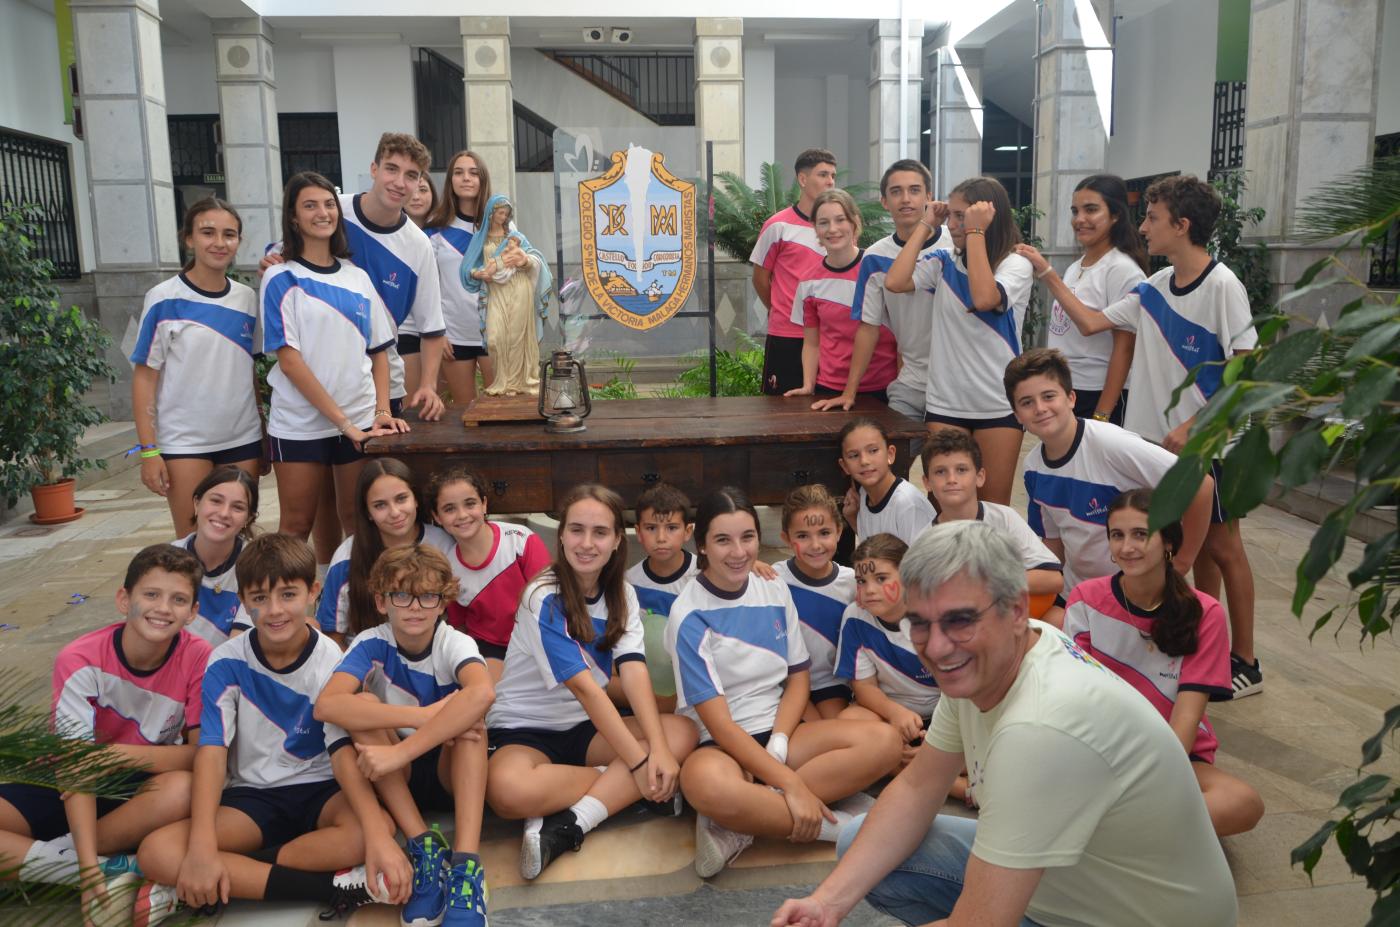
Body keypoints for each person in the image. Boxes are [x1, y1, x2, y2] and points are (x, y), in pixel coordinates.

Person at [771, 520, 1239, 927]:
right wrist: (825, 905)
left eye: (959, 621)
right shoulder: (1007, 654)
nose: (935, 648)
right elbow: (917, 788)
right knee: (859, 843)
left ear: (1016, 609)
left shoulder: (1039, 728)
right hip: (1080, 879)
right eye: (920, 623)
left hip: (1137, 917)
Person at [1016, 175, 1263, 697]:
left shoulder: (1222, 286)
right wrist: (1046, 274)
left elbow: (1246, 366)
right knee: (1184, 541)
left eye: (1152, 218)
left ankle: (1246, 660)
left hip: (1211, 441)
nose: (1143, 227)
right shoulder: (1151, 288)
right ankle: (1202, 642)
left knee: (1221, 547)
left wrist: (1196, 423)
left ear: (1182, 224)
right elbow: (1089, 322)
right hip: (1156, 444)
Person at [133, 534, 402, 926]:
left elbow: (343, 748)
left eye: (288, 595)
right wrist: (203, 845)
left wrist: (378, 838)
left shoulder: (332, 658)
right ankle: (332, 887)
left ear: (312, 592)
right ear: (243, 601)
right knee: (157, 851)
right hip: (253, 796)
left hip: (323, 790)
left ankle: (217, 878)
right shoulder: (225, 662)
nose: (275, 611)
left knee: (375, 831)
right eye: (259, 598)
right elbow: (211, 750)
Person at [667, 487, 901, 879]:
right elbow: (720, 725)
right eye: (722, 540)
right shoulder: (688, 614)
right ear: (702, 546)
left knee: (885, 740)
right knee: (702, 784)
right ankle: (843, 829)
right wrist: (792, 785)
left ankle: (742, 822)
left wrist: (779, 741)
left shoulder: (772, 586)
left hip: (782, 734)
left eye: (747, 537)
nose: (738, 552)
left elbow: (797, 678)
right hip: (721, 746)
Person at [484, 485, 696, 881]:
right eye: (576, 530)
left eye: (599, 533)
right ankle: (622, 786)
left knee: (680, 731)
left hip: (585, 729)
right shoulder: (541, 595)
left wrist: (661, 749)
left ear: (618, 540)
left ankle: (572, 821)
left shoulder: (623, 594)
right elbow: (584, 688)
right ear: (560, 535)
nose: (586, 543)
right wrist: (638, 763)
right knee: (506, 791)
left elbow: (633, 672)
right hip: (523, 730)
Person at [0, 545, 209, 926]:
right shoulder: (79, 659)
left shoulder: (198, 656)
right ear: (123, 599)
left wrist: (113, 756)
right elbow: (75, 770)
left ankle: (36, 862)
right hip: (67, 785)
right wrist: (84, 865)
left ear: (193, 612)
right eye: (151, 594)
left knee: (185, 788)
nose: (163, 608)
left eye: (178, 599)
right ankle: (103, 869)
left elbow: (199, 754)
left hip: (142, 786)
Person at [1064, 490, 1264, 837]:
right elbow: (1077, 699)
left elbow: (1186, 719)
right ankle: (1139, 831)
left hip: (1174, 752)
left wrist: (1150, 780)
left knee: (1242, 803)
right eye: (1117, 535)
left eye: (1141, 534)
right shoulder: (1086, 600)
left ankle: (1111, 831)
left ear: (1169, 542)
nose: (1127, 547)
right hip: (1101, 747)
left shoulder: (1205, 614)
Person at [316, 545, 495, 927]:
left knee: (471, 727)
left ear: (444, 602)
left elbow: (482, 693)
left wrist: (407, 748)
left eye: (428, 596)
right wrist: (420, 717)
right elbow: (326, 706)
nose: (415, 607)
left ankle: (466, 867)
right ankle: (425, 848)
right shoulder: (371, 642)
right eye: (402, 595)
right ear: (382, 601)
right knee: (360, 704)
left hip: (448, 772)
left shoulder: (454, 643)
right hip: (402, 779)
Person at [261, 171, 406, 542]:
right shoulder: (279, 277)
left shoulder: (356, 277)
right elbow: (290, 361)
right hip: (299, 425)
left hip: (359, 419)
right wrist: (344, 424)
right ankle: (297, 599)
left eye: (328, 205)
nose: (322, 213)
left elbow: (378, 354)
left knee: (358, 524)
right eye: (309, 205)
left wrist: (382, 412)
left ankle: (353, 600)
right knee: (296, 526)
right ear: (293, 217)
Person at [262, 134, 447, 418]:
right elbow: (282, 257)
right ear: (374, 169)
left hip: (381, 388)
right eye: (391, 169)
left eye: (411, 175)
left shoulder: (418, 244)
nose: (399, 182)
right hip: (313, 383)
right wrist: (271, 263)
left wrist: (428, 385)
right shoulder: (333, 210)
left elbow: (432, 328)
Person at [1009, 348, 1213, 595]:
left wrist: (1181, 562)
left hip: (1137, 593)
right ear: (1017, 415)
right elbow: (1053, 545)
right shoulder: (1033, 468)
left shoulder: (1110, 443)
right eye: (1027, 402)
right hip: (1081, 596)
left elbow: (1200, 484)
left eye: (1049, 396)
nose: (1040, 408)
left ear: (1071, 398)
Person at [885, 176, 1033, 506]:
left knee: (992, 510)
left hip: (997, 404)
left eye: (960, 216)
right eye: (950, 215)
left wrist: (976, 233)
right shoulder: (942, 262)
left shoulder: (1016, 264)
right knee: (944, 506)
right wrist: (926, 224)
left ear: (987, 218)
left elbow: (984, 297)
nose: (952, 225)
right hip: (945, 404)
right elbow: (895, 282)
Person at [131, 197, 262, 535]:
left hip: (242, 437)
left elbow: (250, 372)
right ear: (188, 238)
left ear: (239, 242)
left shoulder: (248, 298)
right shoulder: (163, 298)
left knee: (237, 537)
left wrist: (262, 435)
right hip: (184, 443)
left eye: (229, 234)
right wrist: (149, 451)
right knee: (194, 540)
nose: (219, 243)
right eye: (208, 232)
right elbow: (144, 378)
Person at [812, 159, 944, 420]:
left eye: (915, 190)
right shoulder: (875, 257)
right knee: (891, 456)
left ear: (929, 196)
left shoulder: (956, 245)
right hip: (912, 383)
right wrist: (850, 392)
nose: (906, 199)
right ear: (884, 201)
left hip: (958, 384)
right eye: (896, 192)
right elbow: (868, 327)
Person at [920, 429, 1064, 622]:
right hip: (965, 634)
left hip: (1021, 621)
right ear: (927, 483)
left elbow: (1054, 580)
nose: (952, 479)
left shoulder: (1004, 518)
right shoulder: (924, 542)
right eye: (940, 472)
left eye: (961, 470)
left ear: (980, 477)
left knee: (1058, 617)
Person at [426, 467, 550, 680]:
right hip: (490, 648)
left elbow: (551, 603)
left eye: (470, 503)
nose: (462, 515)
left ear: (484, 504)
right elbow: (460, 626)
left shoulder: (520, 540)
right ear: (437, 517)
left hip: (538, 638)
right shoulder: (447, 567)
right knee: (488, 693)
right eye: (449, 509)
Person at [1042, 174, 1148, 425]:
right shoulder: (1076, 266)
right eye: (1075, 211)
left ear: (1115, 215)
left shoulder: (1122, 269)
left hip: (1098, 392)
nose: (1080, 220)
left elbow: (1125, 348)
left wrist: (1102, 414)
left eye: (1091, 210)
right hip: (1068, 389)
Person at [834, 534, 938, 771]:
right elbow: (864, 687)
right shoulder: (855, 617)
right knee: (848, 721)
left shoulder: (935, 616)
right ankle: (933, 772)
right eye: (861, 581)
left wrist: (941, 737)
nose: (869, 590)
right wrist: (895, 713)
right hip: (892, 714)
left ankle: (928, 771)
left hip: (945, 713)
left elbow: (960, 696)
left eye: (881, 579)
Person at [318, 458, 452, 641]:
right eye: (380, 505)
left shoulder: (444, 544)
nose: (395, 512)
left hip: (432, 658)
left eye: (401, 498)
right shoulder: (347, 556)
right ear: (367, 513)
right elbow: (332, 637)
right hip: (364, 662)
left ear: (416, 499)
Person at [785, 189, 897, 405]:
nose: (832, 229)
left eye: (840, 220)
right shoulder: (808, 281)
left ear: (854, 223)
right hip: (828, 388)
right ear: (815, 229)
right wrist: (808, 385)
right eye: (823, 222)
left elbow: (902, 333)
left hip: (884, 388)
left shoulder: (879, 270)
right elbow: (811, 343)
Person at [750, 149, 838, 395]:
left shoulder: (840, 229)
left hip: (829, 337)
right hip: (787, 336)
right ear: (802, 179)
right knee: (781, 412)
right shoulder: (777, 225)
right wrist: (780, 309)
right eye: (823, 174)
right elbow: (760, 279)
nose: (830, 181)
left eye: (833, 175)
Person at [774, 484, 855, 719]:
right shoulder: (772, 580)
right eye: (802, 536)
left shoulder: (852, 582)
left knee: (835, 728)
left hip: (832, 684)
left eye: (824, 533)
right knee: (810, 728)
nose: (816, 545)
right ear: (786, 539)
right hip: (783, 684)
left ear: (839, 531)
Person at [460, 193, 553, 397]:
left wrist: (525, 261)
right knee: (494, 339)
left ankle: (518, 385)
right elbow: (467, 268)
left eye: (506, 214)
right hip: (495, 292)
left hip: (519, 288)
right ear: (491, 214)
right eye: (500, 213)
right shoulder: (479, 238)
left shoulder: (515, 237)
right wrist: (478, 273)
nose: (503, 217)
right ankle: (502, 382)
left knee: (515, 337)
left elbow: (536, 259)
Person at [622, 482, 699, 714]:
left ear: (688, 531)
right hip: (652, 686)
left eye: (672, 528)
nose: (661, 537)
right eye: (651, 528)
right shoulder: (629, 584)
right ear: (638, 532)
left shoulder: (704, 575)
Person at [424, 151, 495, 404]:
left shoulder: (501, 226)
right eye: (459, 172)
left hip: (494, 333)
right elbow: (427, 289)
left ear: (482, 179)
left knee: (500, 411)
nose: (466, 178)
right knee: (466, 413)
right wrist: (437, 333)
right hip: (454, 336)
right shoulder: (434, 228)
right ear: (450, 180)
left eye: (473, 173)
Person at [172, 467, 259, 646]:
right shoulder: (166, 560)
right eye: (216, 501)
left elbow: (240, 644)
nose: (224, 513)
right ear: (197, 503)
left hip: (232, 664)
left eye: (238, 507)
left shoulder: (258, 563)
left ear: (248, 519)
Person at [838, 418, 933, 546]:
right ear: (845, 466)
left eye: (873, 451)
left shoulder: (908, 503)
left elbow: (921, 563)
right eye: (854, 455)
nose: (864, 461)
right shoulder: (864, 494)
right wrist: (852, 518)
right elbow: (875, 551)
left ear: (890, 454)